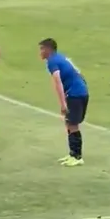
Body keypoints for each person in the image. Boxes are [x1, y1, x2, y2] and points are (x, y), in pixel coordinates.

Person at [39, 38, 89, 167]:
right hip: (80, 92)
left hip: (75, 94)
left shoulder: (52, 62)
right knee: (69, 123)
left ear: (48, 49)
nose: (40, 52)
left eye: (42, 49)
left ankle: (77, 157)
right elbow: (78, 72)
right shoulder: (61, 57)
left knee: (73, 125)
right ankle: (72, 154)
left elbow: (58, 82)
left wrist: (63, 104)